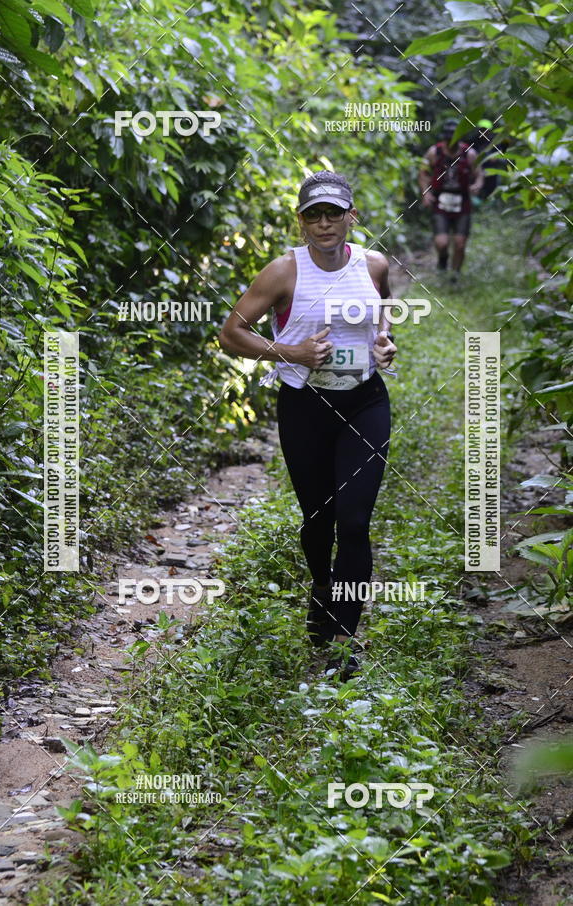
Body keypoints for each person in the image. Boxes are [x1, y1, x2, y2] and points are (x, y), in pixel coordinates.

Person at [219, 170, 397, 680]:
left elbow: (384, 307)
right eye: (313, 215)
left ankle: (344, 642)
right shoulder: (283, 272)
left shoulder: (374, 264)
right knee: (319, 521)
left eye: (333, 213)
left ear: (351, 217)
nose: (324, 223)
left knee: (355, 522)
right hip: (305, 406)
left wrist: (384, 340)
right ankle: (322, 585)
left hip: (364, 403)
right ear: (301, 222)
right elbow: (231, 333)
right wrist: (290, 352)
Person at [418, 118, 484, 281]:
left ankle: (455, 275)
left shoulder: (470, 154)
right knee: (442, 243)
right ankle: (443, 260)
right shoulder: (434, 152)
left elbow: (479, 173)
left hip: (462, 202)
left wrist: (477, 185)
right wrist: (426, 193)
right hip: (440, 201)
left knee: (460, 243)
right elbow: (423, 172)